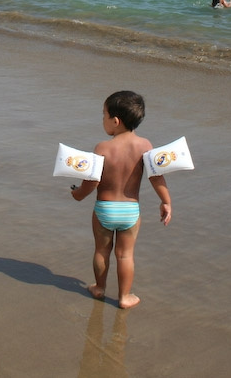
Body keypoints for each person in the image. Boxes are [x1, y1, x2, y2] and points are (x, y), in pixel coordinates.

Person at [70, 91, 172, 310]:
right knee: (125, 256)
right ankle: (124, 297)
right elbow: (156, 177)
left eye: (104, 115)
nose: (102, 119)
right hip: (130, 211)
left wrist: (78, 194)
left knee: (101, 251)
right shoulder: (145, 145)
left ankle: (99, 288)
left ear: (115, 121)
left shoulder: (102, 148)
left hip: (104, 209)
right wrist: (166, 202)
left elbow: (92, 182)